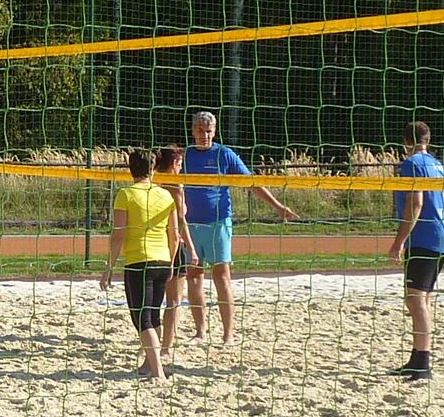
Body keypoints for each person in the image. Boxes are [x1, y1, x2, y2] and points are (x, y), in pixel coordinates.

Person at [182, 111, 298, 346]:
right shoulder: (185, 156)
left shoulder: (224, 154)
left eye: (209, 131)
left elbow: (251, 182)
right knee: (193, 277)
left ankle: (228, 335)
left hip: (218, 223)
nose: (205, 135)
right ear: (193, 131)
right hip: (190, 224)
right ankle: (200, 333)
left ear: (214, 131)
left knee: (221, 276)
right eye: (200, 130)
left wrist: (277, 206)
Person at [100, 148, 179, 381]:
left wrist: (108, 267)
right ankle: (148, 364)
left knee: (142, 320)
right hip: (162, 260)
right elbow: (174, 235)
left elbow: (119, 234)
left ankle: (157, 372)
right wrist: (171, 262)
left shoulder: (125, 194)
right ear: (153, 168)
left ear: (130, 169)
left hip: (139, 262)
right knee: (153, 316)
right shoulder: (165, 195)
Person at [387, 121, 444, 382]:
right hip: (441, 237)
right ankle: (417, 359)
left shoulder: (411, 164)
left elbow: (416, 204)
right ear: (429, 139)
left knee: (416, 299)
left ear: (405, 141)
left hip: (424, 238)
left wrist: (399, 241)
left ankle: (423, 363)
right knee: (422, 300)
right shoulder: (437, 164)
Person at [154, 145, 199, 362]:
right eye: (180, 164)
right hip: (172, 245)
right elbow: (181, 221)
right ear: (174, 164)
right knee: (173, 301)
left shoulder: (151, 182)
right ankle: (165, 348)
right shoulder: (175, 186)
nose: (181, 168)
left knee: (152, 301)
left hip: (153, 245)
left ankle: (153, 345)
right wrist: (191, 247)